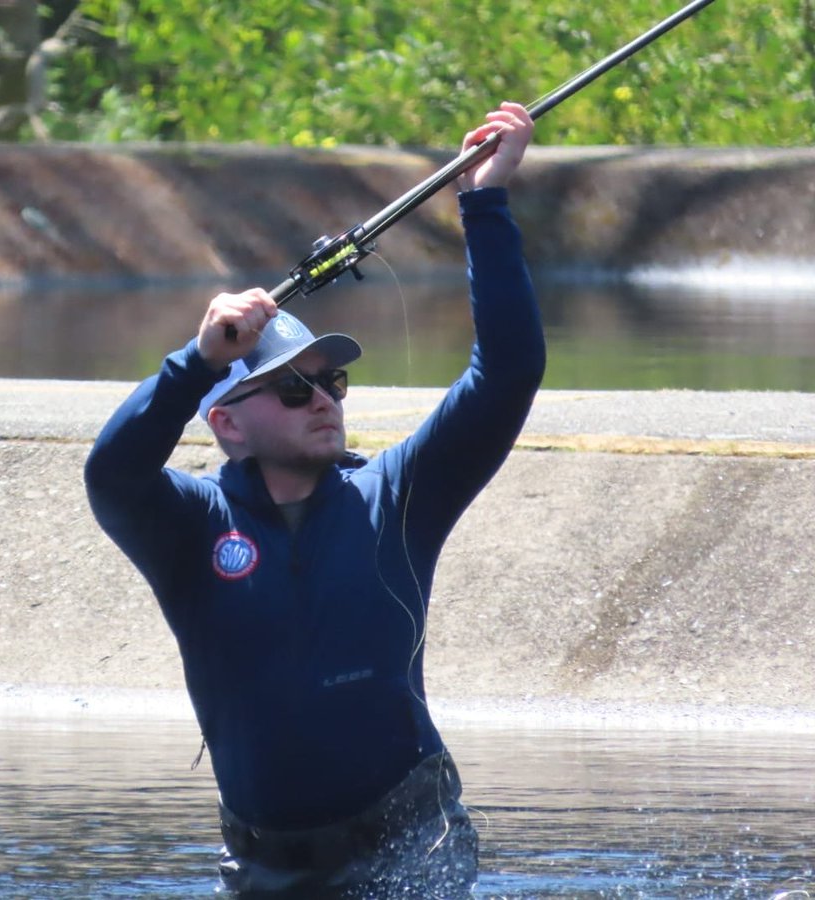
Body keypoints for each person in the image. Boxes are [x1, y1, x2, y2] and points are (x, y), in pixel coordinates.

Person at [84, 102, 544, 897]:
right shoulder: (189, 527)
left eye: (332, 382)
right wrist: (194, 364)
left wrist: (484, 203)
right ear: (226, 425)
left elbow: (507, 375)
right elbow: (112, 474)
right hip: (265, 865)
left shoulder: (398, 494)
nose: (323, 399)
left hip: (411, 842)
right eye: (294, 388)